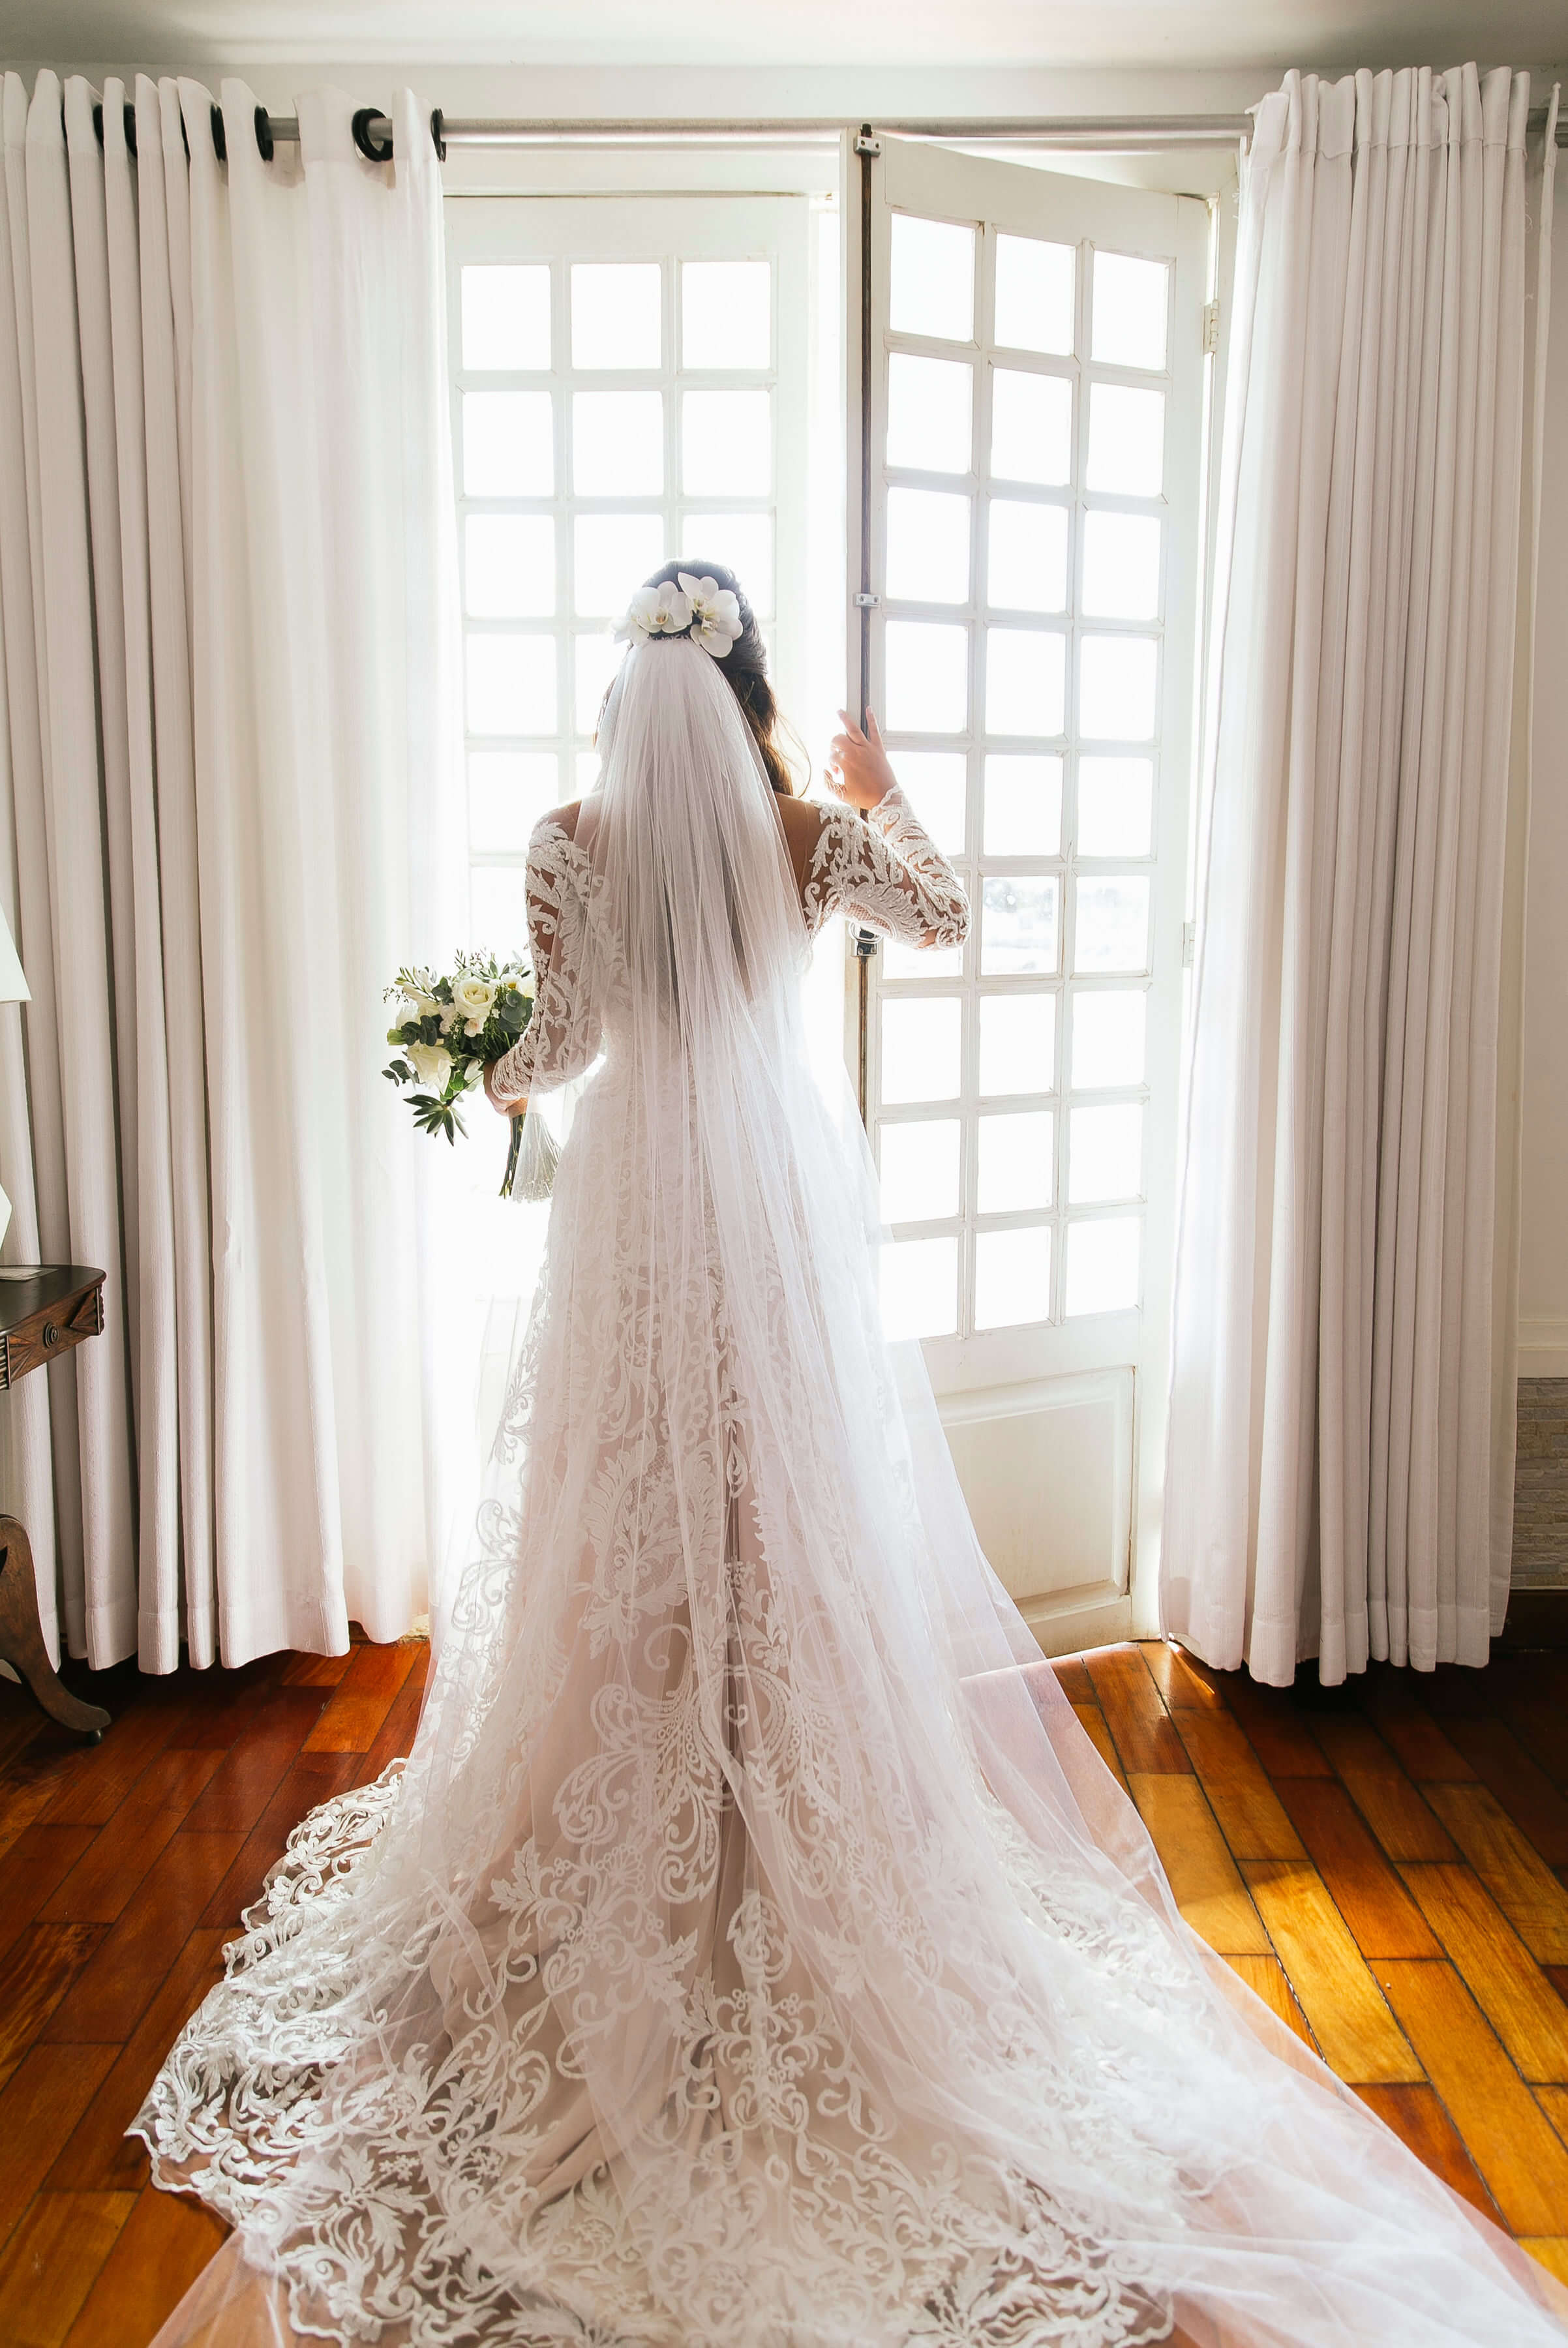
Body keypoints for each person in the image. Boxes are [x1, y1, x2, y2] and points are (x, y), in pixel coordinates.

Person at [135, 563, 1568, 2347]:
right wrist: (882, 788)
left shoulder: (569, 836)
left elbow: (565, 1046)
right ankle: (784, 1777)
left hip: (637, 1203)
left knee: (623, 1498)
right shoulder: (807, 833)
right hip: (770, 1203)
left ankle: (639, 1787)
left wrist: (489, 1074)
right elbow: (946, 918)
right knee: (779, 1502)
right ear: (751, 682)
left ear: (626, 693)